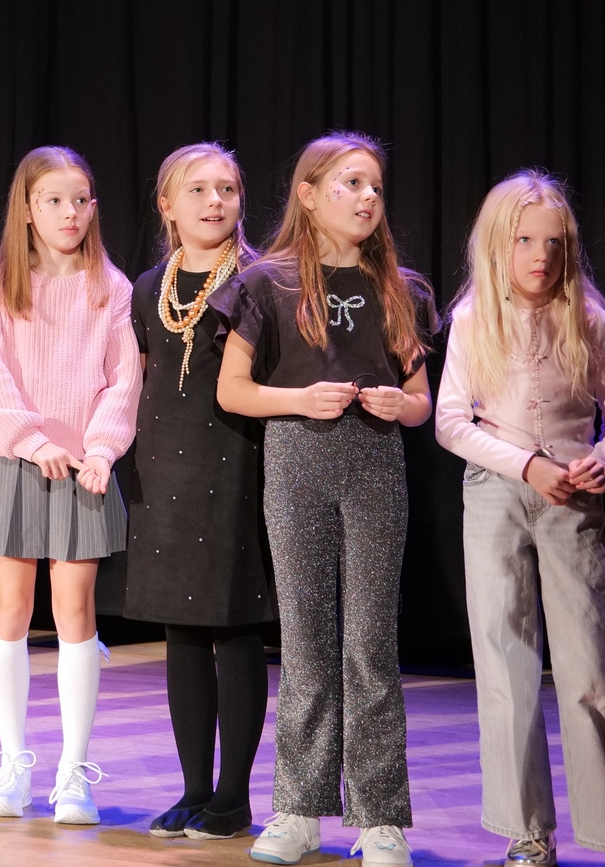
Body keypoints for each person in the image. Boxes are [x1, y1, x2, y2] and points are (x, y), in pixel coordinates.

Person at [211, 131, 436, 867]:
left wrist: (400, 406)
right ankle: (300, 809)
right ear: (308, 196)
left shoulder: (401, 287)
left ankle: (379, 817)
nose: (368, 198)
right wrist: (301, 400)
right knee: (306, 639)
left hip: (374, 463)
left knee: (370, 641)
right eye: (350, 184)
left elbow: (421, 401)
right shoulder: (267, 283)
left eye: (375, 186)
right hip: (297, 457)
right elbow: (233, 390)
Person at [0, 146, 142, 824]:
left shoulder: (110, 286)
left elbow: (123, 379)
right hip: (15, 461)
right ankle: (14, 765)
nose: (70, 213)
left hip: (83, 467)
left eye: (80, 200)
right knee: (8, 610)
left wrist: (101, 449)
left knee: (76, 613)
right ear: (28, 209)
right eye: (55, 200)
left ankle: (73, 773)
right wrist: (33, 441)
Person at [434, 171, 605, 866]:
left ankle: (601, 823)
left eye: (554, 243)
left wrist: (599, 457)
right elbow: (450, 422)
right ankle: (526, 829)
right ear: (497, 245)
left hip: (574, 499)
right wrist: (524, 464)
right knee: (505, 663)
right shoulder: (475, 319)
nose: (541, 256)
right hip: (497, 492)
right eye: (525, 241)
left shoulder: (587, 317)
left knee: (587, 668)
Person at [126, 143, 273, 841]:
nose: (216, 202)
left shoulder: (261, 281)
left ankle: (233, 797)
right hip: (165, 466)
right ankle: (193, 789)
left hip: (236, 462)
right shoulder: (147, 286)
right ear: (167, 205)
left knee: (233, 624)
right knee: (180, 627)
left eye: (228, 189)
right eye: (198, 190)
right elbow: (146, 373)